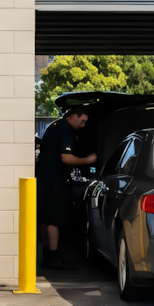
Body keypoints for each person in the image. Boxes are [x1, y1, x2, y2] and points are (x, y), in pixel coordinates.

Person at [35, 106, 97, 270]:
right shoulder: (65, 129)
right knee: (54, 219)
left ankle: (47, 254)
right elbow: (67, 158)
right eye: (82, 121)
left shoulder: (54, 126)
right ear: (74, 117)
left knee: (45, 218)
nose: (83, 125)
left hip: (44, 178)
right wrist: (89, 160)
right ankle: (53, 256)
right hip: (55, 180)